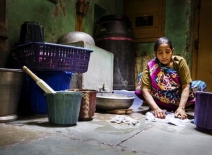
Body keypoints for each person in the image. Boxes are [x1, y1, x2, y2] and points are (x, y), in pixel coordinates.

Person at [135, 37, 206, 120]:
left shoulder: (179, 62)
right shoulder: (151, 65)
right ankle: (160, 105)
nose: (164, 56)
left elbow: (186, 86)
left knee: (201, 85)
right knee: (142, 77)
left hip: (177, 96)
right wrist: (156, 109)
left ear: (172, 51)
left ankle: (174, 106)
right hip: (159, 96)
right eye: (160, 53)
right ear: (155, 53)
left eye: (167, 52)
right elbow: (145, 90)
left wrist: (181, 108)